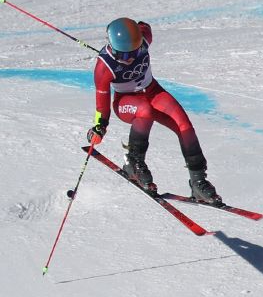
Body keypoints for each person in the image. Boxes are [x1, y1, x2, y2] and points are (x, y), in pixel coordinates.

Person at [86, 17, 224, 205]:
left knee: (184, 125)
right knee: (145, 110)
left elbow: (144, 27)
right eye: (124, 56)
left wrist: (136, 26)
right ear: (112, 47)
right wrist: (99, 126)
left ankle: (198, 181)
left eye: (134, 53)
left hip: (153, 92)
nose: (130, 59)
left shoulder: (143, 39)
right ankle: (134, 163)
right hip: (126, 102)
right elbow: (101, 104)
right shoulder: (104, 67)